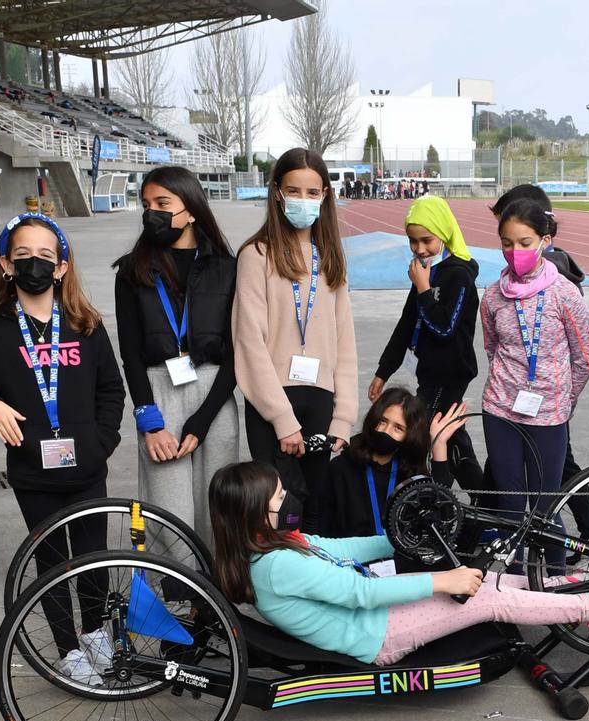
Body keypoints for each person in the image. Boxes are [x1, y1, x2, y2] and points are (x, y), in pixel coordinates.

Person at [205, 460, 589, 666]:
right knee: (485, 597)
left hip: (375, 614)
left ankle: (568, 582)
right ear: (253, 510)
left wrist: (397, 536)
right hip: (378, 636)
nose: (287, 500)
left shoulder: (269, 547)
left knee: (482, 578)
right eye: (278, 496)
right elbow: (362, 594)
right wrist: (441, 580)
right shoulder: (276, 564)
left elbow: (341, 550)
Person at [0, 213, 125, 687]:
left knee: (94, 557)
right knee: (50, 560)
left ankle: (94, 634)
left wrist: (101, 442)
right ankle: (68, 648)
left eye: (45, 257)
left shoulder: (85, 324)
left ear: (62, 267)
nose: (35, 264)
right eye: (24, 256)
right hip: (33, 472)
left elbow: (111, 390)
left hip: (87, 466)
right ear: (7, 265)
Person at [111, 165, 242, 536]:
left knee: (217, 513)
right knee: (169, 516)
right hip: (158, 392)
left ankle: (216, 592)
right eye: (146, 203)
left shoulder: (228, 269)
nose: (151, 211)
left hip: (214, 394)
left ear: (192, 210)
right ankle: (172, 591)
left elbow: (237, 352)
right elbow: (130, 354)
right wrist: (149, 422)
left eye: (162, 202)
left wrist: (203, 419)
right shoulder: (131, 272)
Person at [231, 147, 358, 529]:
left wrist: (344, 418)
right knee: (280, 515)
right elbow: (249, 342)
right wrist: (282, 419)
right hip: (273, 403)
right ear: (276, 193)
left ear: (324, 196)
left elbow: (346, 343)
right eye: (294, 190)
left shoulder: (330, 256)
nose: (303, 200)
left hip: (320, 401)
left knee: (317, 511)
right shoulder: (257, 255)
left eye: (312, 192)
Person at [480, 196, 589, 529]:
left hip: (549, 414)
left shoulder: (565, 293)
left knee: (545, 510)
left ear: (545, 241)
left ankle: (553, 578)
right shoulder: (492, 296)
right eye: (507, 243)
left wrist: (561, 398)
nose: (515, 250)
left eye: (524, 242)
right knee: (510, 507)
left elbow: (585, 359)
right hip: (501, 409)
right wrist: (508, 384)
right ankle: (513, 579)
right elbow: (493, 348)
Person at [369, 194, 485, 497]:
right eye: (412, 241)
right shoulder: (425, 270)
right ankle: (487, 501)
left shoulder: (458, 275)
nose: (420, 249)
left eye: (427, 240)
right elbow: (407, 324)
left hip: (449, 375)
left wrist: (423, 288)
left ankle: (437, 499)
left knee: (426, 436)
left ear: (444, 234)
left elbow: (444, 328)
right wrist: (384, 371)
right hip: (429, 373)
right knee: (450, 435)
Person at [310, 388, 467, 548]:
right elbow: (319, 523)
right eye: (382, 421)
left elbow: (441, 519)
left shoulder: (410, 473)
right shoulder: (340, 468)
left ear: (409, 436)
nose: (386, 431)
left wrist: (439, 445)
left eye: (398, 428)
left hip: (399, 562)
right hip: (350, 559)